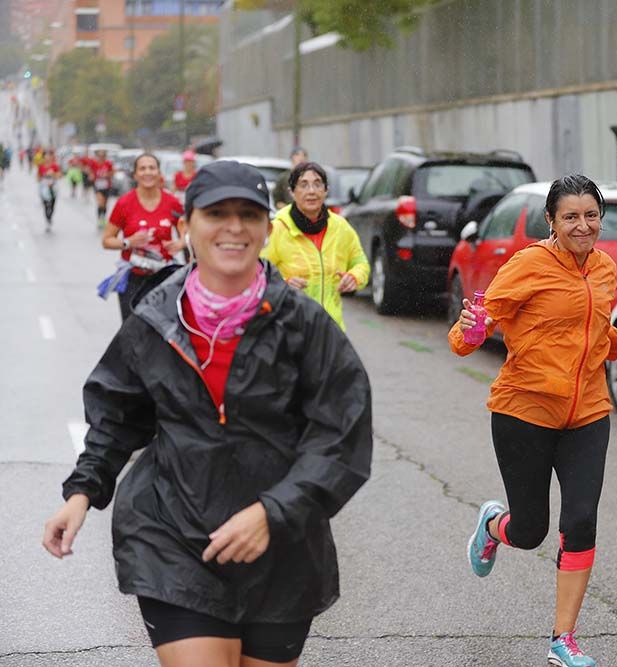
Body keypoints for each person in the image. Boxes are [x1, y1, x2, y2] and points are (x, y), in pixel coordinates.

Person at [42, 160, 373, 667]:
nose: (233, 227)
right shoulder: (156, 317)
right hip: (173, 536)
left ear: (267, 228)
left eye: (248, 214)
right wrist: (82, 492)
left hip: (281, 548)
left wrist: (274, 512)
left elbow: (341, 435)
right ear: (187, 225)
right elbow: (117, 414)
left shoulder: (303, 324)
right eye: (216, 213)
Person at [449, 175, 617, 667]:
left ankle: (563, 640)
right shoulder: (528, 265)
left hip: (588, 412)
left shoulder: (604, 267)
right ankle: (493, 526)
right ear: (551, 221)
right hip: (525, 411)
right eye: (571, 217)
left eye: (591, 215)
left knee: (581, 520)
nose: (583, 225)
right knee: (530, 532)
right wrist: (472, 329)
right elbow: (472, 330)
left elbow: (588, 329)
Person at [261, 161, 369, 331]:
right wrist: (284, 284)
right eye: (303, 185)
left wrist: (354, 277)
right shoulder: (277, 229)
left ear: (326, 190)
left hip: (331, 329)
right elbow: (256, 274)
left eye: (317, 184)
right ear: (292, 192)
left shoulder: (340, 227)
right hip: (289, 329)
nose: (311, 191)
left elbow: (361, 262)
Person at [101, 153, 184, 320]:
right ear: (135, 175)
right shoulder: (124, 203)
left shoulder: (172, 202)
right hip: (133, 278)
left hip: (163, 279)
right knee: (132, 329)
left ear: (159, 173)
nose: (148, 172)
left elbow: (190, 230)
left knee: (160, 329)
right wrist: (128, 242)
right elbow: (106, 240)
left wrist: (181, 243)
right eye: (142, 168)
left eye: (152, 168)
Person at [271, 146, 308, 210]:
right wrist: (289, 210)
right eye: (297, 155)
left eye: (304, 155)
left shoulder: (311, 177)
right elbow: (277, 200)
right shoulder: (283, 177)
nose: (301, 158)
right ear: (292, 157)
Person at [37, 148, 61, 230]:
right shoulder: (41, 166)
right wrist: (43, 177)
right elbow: (38, 178)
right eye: (45, 157)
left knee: (52, 205)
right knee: (46, 205)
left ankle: (50, 217)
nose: (47, 158)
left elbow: (59, 175)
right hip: (44, 187)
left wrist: (52, 174)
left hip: (53, 187)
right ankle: (47, 220)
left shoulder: (54, 166)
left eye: (48, 156)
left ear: (51, 157)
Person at [91, 148, 115, 227]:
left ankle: (103, 217)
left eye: (103, 156)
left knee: (105, 203)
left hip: (106, 186)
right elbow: (90, 171)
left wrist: (107, 174)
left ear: (105, 156)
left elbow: (113, 172)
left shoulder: (108, 163)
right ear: (97, 156)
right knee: (100, 202)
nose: (101, 157)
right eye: (99, 156)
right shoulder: (94, 163)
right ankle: (99, 218)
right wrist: (92, 176)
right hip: (97, 185)